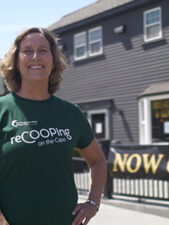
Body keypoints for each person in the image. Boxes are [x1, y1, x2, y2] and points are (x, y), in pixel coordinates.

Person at [0, 27, 107, 225]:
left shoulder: (71, 113)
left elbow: (98, 161)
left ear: (53, 60)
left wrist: (93, 202)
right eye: (27, 51)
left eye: (43, 50)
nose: (35, 57)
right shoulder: (2, 110)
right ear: (15, 61)